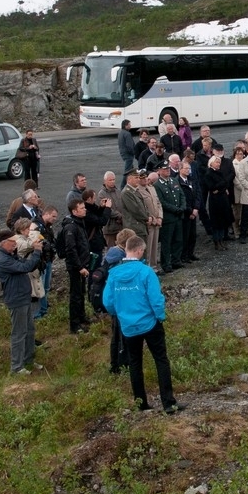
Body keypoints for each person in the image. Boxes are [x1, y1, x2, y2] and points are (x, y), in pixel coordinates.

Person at [103, 236, 183, 415]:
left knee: (135, 363)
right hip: (149, 323)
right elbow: (156, 299)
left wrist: (120, 314)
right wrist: (160, 317)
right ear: (139, 251)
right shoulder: (146, 272)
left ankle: (141, 403)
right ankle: (168, 403)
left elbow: (107, 302)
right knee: (161, 360)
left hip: (128, 327)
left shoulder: (114, 273)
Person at [0, 227, 42, 374]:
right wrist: (36, 252)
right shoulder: (3, 261)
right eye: (12, 242)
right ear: (3, 243)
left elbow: (26, 264)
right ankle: (16, 367)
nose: (15, 244)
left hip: (24, 297)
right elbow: (25, 267)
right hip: (16, 299)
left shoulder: (12, 256)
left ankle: (28, 360)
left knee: (29, 330)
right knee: (19, 333)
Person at [102, 229, 136, 375]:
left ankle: (115, 365)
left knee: (115, 335)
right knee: (122, 336)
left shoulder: (111, 253)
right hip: (120, 302)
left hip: (112, 301)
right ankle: (121, 365)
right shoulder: (119, 259)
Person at [61, 199, 93, 333]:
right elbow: (71, 249)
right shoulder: (71, 226)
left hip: (83, 264)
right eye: (82, 208)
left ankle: (82, 317)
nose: (85, 209)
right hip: (76, 267)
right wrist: (80, 267)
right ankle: (74, 325)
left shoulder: (80, 223)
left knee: (81, 292)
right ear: (74, 211)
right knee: (75, 295)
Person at [154, 161, 186, 273]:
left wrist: (182, 207)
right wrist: (176, 209)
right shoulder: (157, 185)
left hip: (178, 216)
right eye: (164, 169)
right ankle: (166, 264)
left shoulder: (174, 180)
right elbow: (161, 202)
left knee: (178, 240)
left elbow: (181, 195)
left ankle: (176, 261)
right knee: (166, 242)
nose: (167, 170)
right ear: (159, 171)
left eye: (168, 168)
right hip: (168, 218)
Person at [204, 154, 233, 249]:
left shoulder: (220, 172)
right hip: (215, 201)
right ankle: (216, 241)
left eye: (219, 162)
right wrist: (222, 187)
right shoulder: (209, 173)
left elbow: (225, 183)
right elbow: (211, 187)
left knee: (222, 220)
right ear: (211, 163)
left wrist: (220, 188)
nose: (218, 164)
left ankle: (221, 240)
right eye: (217, 162)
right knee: (216, 221)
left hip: (222, 199)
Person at [98, 171, 125, 249]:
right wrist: (120, 216)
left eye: (113, 179)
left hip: (120, 227)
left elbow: (122, 205)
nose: (112, 181)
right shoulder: (102, 194)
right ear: (105, 181)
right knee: (111, 251)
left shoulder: (118, 191)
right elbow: (107, 209)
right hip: (110, 228)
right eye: (110, 180)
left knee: (122, 250)